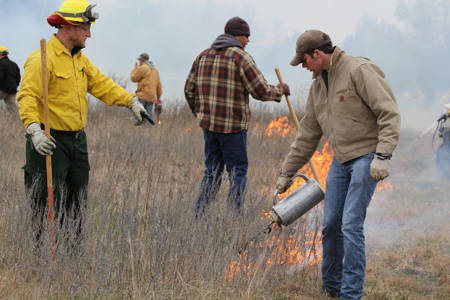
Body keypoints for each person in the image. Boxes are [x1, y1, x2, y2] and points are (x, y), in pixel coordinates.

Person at [275, 30, 400, 299]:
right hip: (340, 161)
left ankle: (351, 294)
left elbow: (388, 112)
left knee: (351, 224)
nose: (304, 67)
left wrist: (383, 155)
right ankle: (331, 289)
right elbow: (308, 133)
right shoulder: (318, 86)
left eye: (304, 61)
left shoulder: (359, 70)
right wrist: (287, 171)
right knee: (331, 224)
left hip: (367, 157)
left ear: (317, 54)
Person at [17, 0, 147, 252]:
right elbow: (27, 96)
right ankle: (41, 258)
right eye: (86, 27)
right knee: (44, 203)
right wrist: (34, 130)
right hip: (48, 140)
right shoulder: (42, 59)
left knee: (76, 202)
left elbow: (102, 85)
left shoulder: (80, 61)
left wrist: (131, 101)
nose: (90, 33)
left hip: (77, 142)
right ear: (68, 26)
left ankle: (72, 257)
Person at [184, 16, 290, 215]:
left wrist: (200, 114)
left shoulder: (203, 56)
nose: (248, 41)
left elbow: (189, 89)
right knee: (237, 172)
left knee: (212, 173)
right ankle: (233, 219)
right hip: (232, 129)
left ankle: (200, 215)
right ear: (238, 36)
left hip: (209, 127)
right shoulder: (241, 57)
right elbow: (261, 91)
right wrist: (280, 91)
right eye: (246, 37)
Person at [130, 52, 162, 124]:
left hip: (142, 96)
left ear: (141, 60)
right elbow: (159, 86)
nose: (139, 62)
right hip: (152, 97)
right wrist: (158, 97)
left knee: (137, 113)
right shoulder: (155, 70)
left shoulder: (142, 68)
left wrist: (135, 69)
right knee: (149, 116)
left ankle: (140, 131)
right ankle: (148, 132)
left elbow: (133, 78)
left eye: (139, 60)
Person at [0, 46, 21, 114]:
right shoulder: (14, 65)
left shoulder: (1, 64)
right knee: (13, 110)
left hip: (2, 90)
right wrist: (14, 86)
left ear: (1, 54)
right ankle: (17, 122)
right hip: (12, 91)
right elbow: (18, 78)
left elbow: (0, 78)